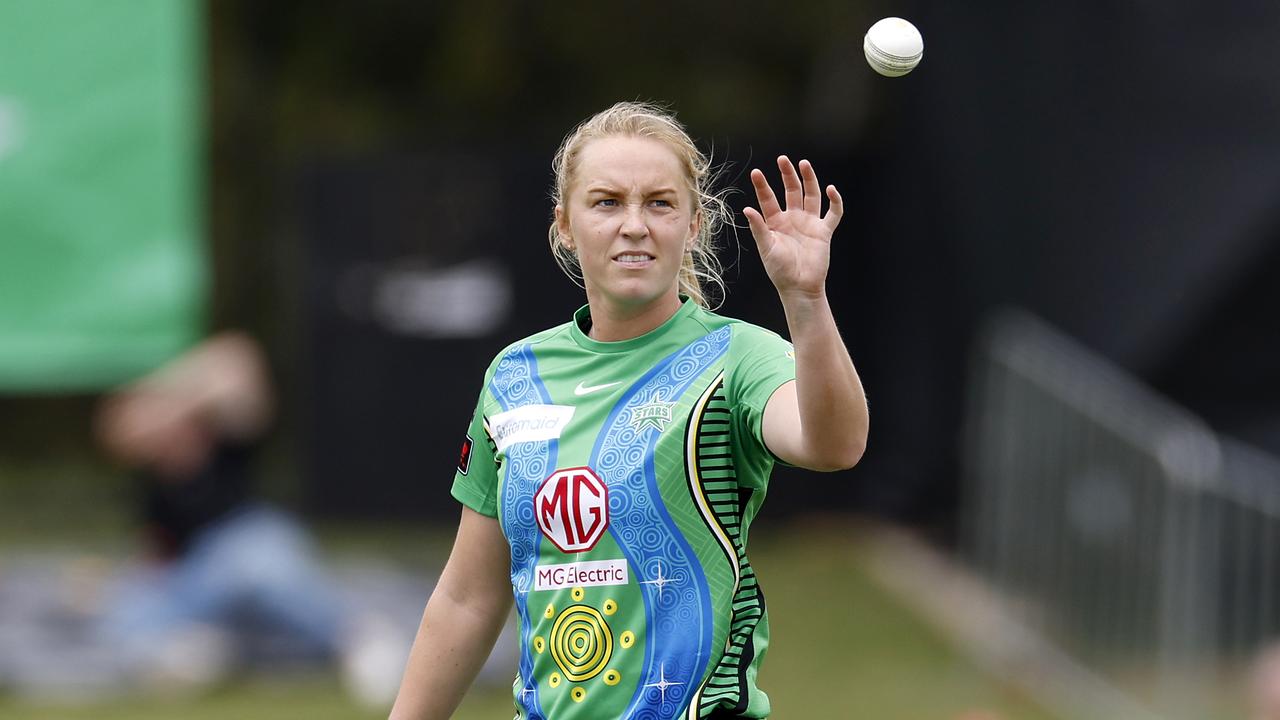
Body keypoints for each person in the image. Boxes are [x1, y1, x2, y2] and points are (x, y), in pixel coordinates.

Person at [390, 101, 869, 719]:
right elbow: (467, 597)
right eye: (608, 202)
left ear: (694, 225)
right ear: (565, 225)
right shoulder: (515, 376)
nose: (635, 225)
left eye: (660, 203)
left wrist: (805, 300)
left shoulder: (737, 356)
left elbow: (835, 444)